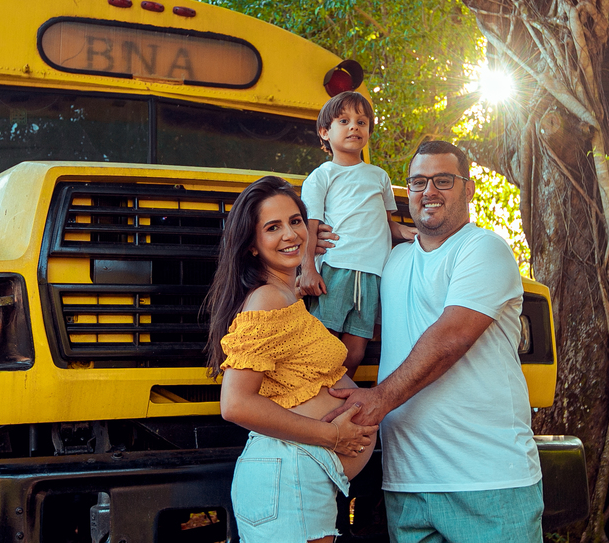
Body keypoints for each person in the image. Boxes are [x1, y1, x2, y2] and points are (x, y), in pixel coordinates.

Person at [324, 141, 544, 543]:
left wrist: (376, 400)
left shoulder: (483, 249)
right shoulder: (393, 261)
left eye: (443, 180)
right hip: (407, 484)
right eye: (419, 181)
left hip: (488, 482)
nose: (429, 191)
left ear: (469, 188)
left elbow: (451, 338)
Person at [204, 175, 380, 543]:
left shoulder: (287, 297)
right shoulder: (267, 298)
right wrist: (331, 434)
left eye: (296, 221)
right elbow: (235, 403)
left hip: (298, 479)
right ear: (252, 244)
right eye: (273, 227)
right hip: (289, 479)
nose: (291, 234)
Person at [299, 91, 416, 374]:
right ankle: (313, 400)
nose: (354, 127)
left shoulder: (379, 176)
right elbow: (310, 226)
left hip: (373, 273)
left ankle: (340, 400)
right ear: (325, 132)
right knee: (324, 344)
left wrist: (409, 232)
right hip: (336, 268)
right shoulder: (322, 175)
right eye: (344, 120)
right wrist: (308, 270)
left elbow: (384, 223)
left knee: (355, 352)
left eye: (362, 122)